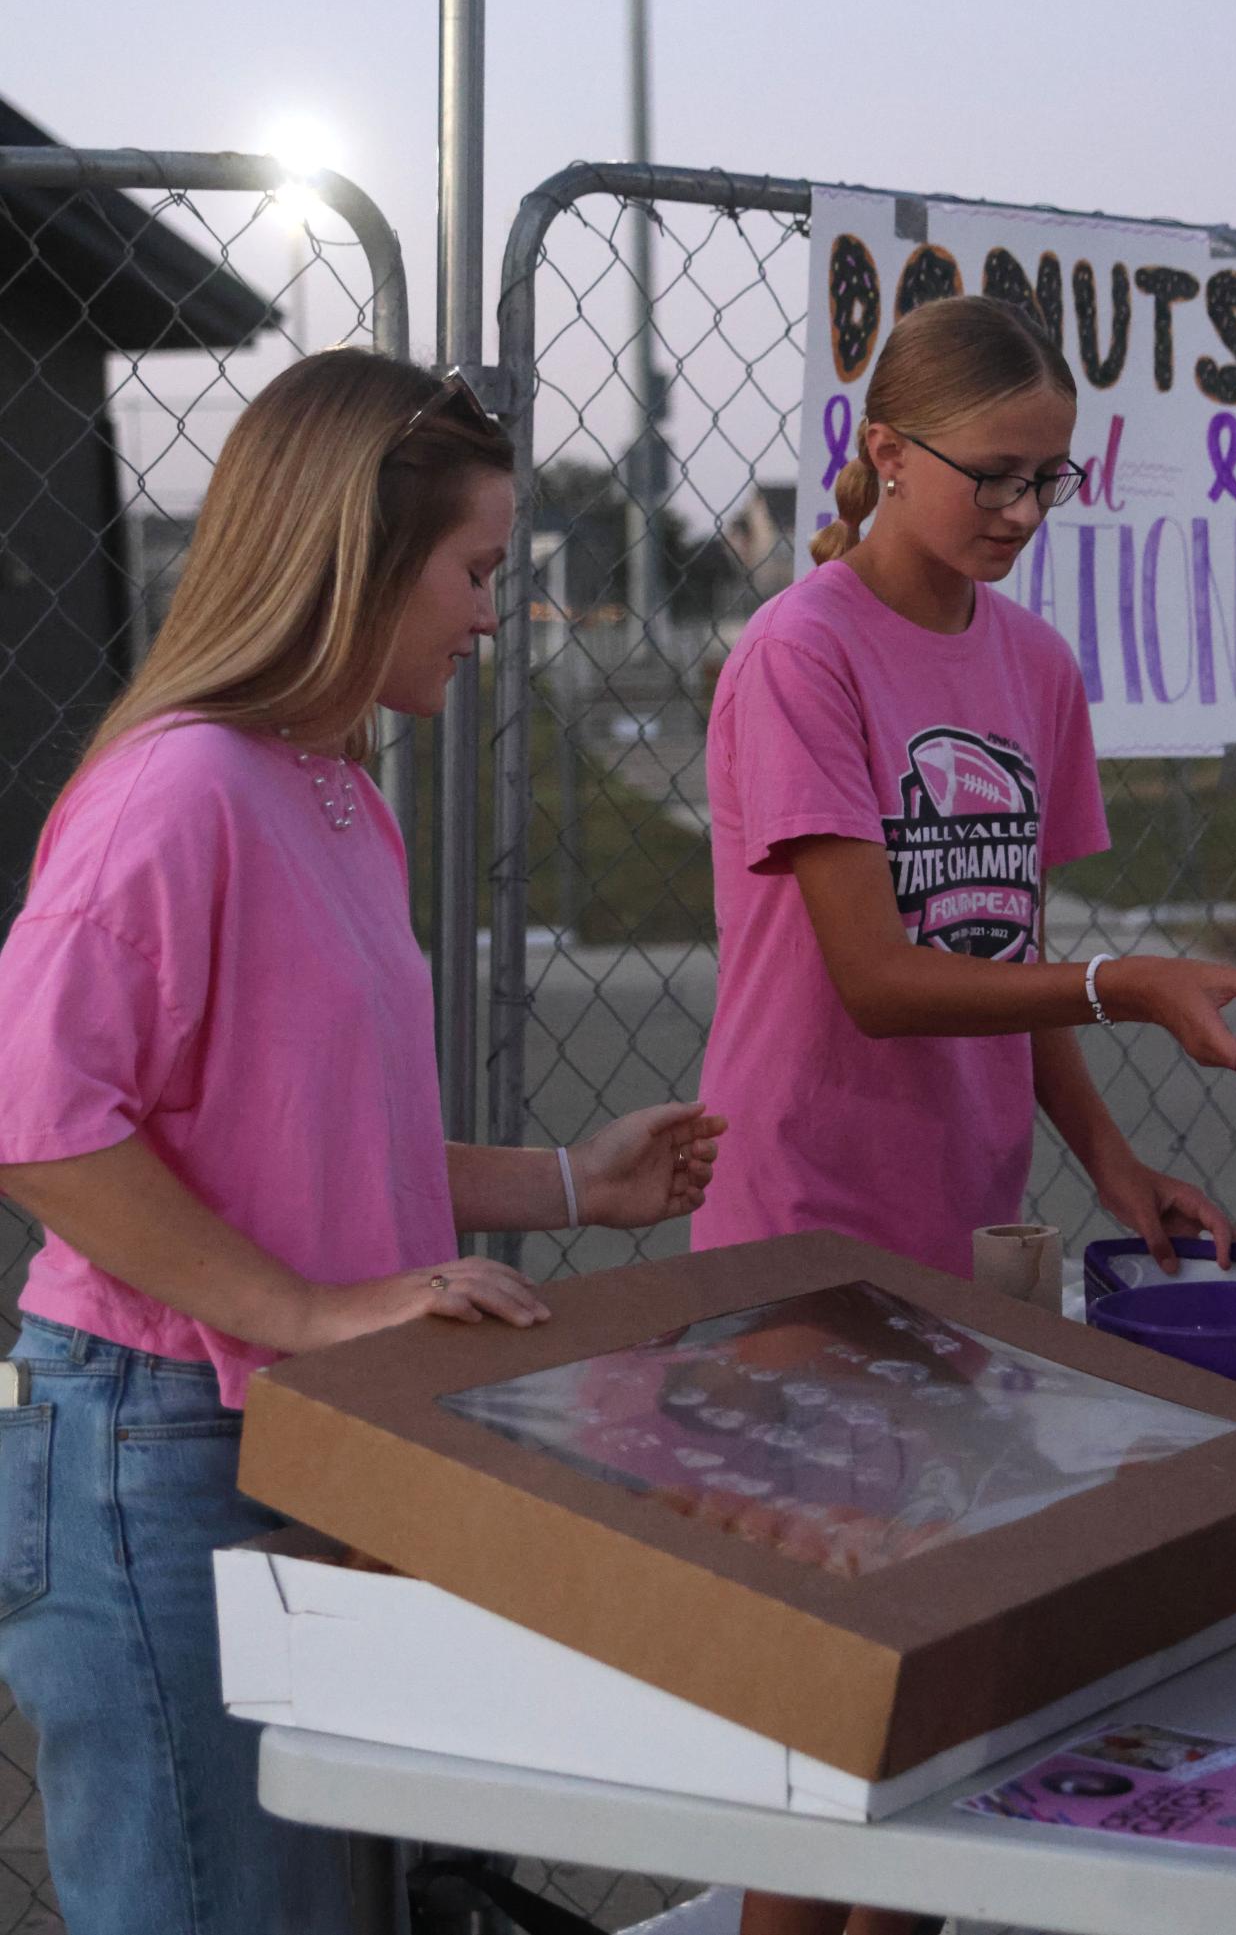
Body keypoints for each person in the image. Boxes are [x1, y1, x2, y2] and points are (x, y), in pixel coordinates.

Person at [0, 349, 725, 1935]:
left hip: (288, 1431)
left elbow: (314, 1135)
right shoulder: (175, 788)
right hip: (158, 1440)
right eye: (475, 570)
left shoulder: (332, 787)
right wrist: (318, 1315)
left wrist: (564, 1185)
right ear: (355, 557)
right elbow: (42, 1128)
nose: (493, 611)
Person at [690, 294, 1236, 1935]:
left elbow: (1001, 946)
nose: (1024, 515)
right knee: (831, 1758)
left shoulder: (1030, 661)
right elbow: (882, 976)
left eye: (1051, 480)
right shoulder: (799, 654)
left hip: (963, 1237)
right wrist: (1134, 979)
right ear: (883, 451)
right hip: (803, 1238)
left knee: (947, 1734)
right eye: (993, 476)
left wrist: (1110, 1159)